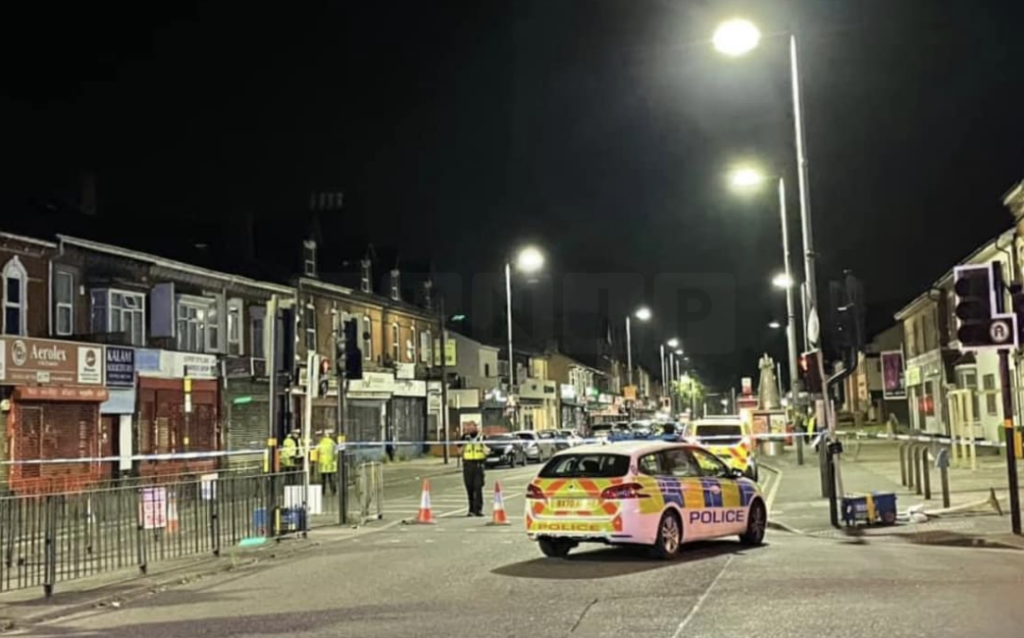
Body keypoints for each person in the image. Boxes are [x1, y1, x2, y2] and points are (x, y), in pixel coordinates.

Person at [459, 425, 487, 516]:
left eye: (472, 427)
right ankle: (471, 510)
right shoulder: (464, 438)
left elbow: (487, 451)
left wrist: (482, 444)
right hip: (468, 466)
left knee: (478, 488)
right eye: (468, 428)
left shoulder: (482, 437)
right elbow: (459, 451)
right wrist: (464, 443)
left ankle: (478, 509)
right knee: (470, 489)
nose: (469, 429)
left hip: (478, 466)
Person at [318, 429, 338, 495]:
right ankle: (333, 491)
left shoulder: (321, 442)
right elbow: (336, 451)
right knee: (331, 478)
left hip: (323, 463)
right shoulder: (332, 442)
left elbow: (316, 451)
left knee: (323, 479)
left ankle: (322, 492)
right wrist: (335, 459)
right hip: (331, 463)